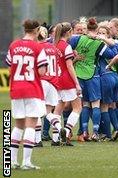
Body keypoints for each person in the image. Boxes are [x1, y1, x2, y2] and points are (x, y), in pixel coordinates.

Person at [8, 19, 48, 170]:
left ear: (24, 29)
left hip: (16, 88)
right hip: (32, 89)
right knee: (31, 124)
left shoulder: (13, 45)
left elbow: (11, 66)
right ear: (37, 30)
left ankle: (11, 161)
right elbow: (42, 71)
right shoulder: (38, 47)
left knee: (18, 126)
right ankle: (26, 162)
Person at [46, 22, 82, 146]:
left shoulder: (53, 45)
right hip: (66, 79)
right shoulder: (66, 46)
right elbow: (69, 66)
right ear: (68, 33)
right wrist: (77, 83)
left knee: (58, 108)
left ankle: (55, 139)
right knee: (78, 107)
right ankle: (66, 132)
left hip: (56, 79)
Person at [35, 26, 61, 147]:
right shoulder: (53, 48)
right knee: (49, 112)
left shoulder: (36, 48)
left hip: (42, 81)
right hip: (53, 83)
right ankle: (56, 137)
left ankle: (37, 141)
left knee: (37, 112)